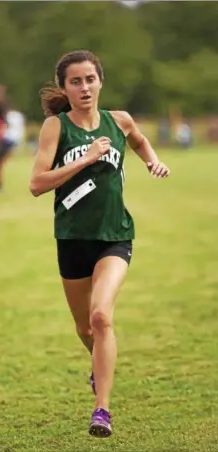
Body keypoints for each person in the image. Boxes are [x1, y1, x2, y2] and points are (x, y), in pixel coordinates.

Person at [29, 50, 170, 438]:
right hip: (72, 239)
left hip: (115, 235)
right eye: (75, 81)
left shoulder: (119, 121)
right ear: (64, 87)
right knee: (84, 328)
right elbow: (37, 184)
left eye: (90, 79)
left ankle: (102, 410)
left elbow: (139, 140)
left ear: (100, 81)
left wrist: (151, 160)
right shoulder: (55, 128)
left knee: (101, 316)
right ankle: (98, 367)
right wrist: (86, 159)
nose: (84, 87)